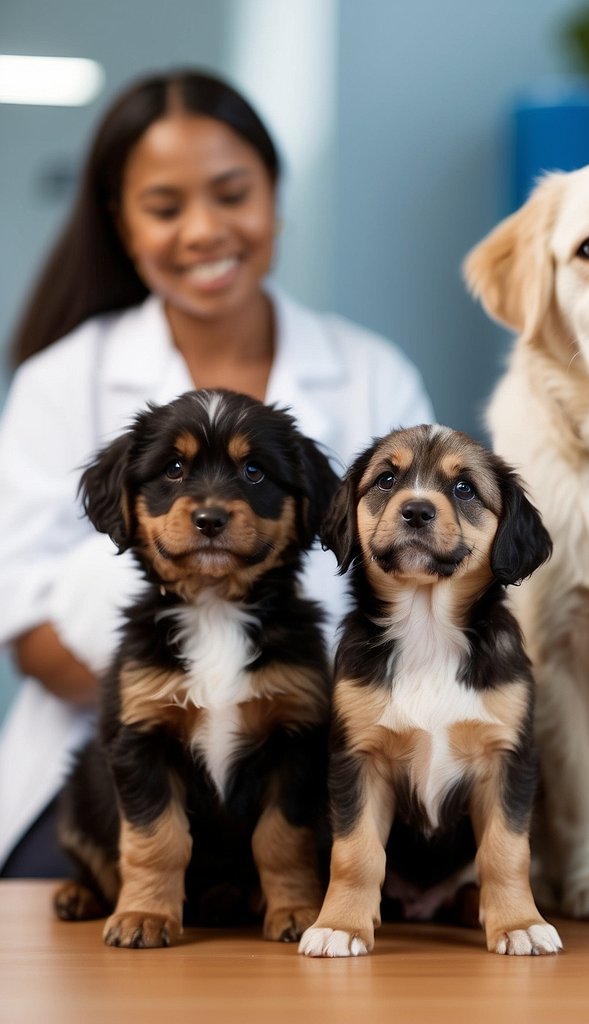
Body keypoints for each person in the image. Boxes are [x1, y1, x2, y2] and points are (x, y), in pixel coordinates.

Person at [0, 68, 434, 877]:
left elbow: (419, 588)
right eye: (165, 207)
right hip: (110, 765)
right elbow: (31, 631)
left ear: (274, 194)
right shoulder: (59, 379)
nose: (203, 229)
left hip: (324, 756)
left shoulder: (371, 370)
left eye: (232, 193)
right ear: (121, 223)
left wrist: (285, 707)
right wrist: (186, 698)